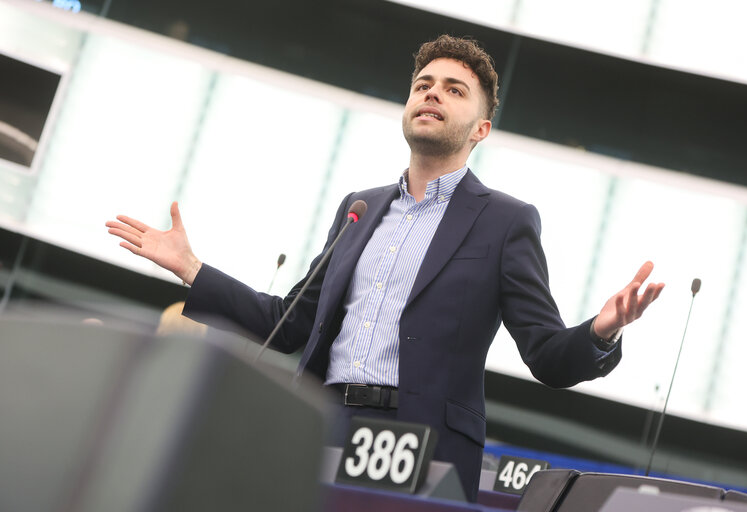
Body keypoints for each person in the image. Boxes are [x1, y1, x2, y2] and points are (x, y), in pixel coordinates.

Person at [106, 35, 664, 500]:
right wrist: (192, 268)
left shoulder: (507, 222)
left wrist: (601, 331)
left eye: (454, 90)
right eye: (423, 85)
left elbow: (546, 354)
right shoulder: (360, 207)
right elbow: (288, 323)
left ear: (481, 128)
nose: (432, 95)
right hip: (322, 427)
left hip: (423, 446)